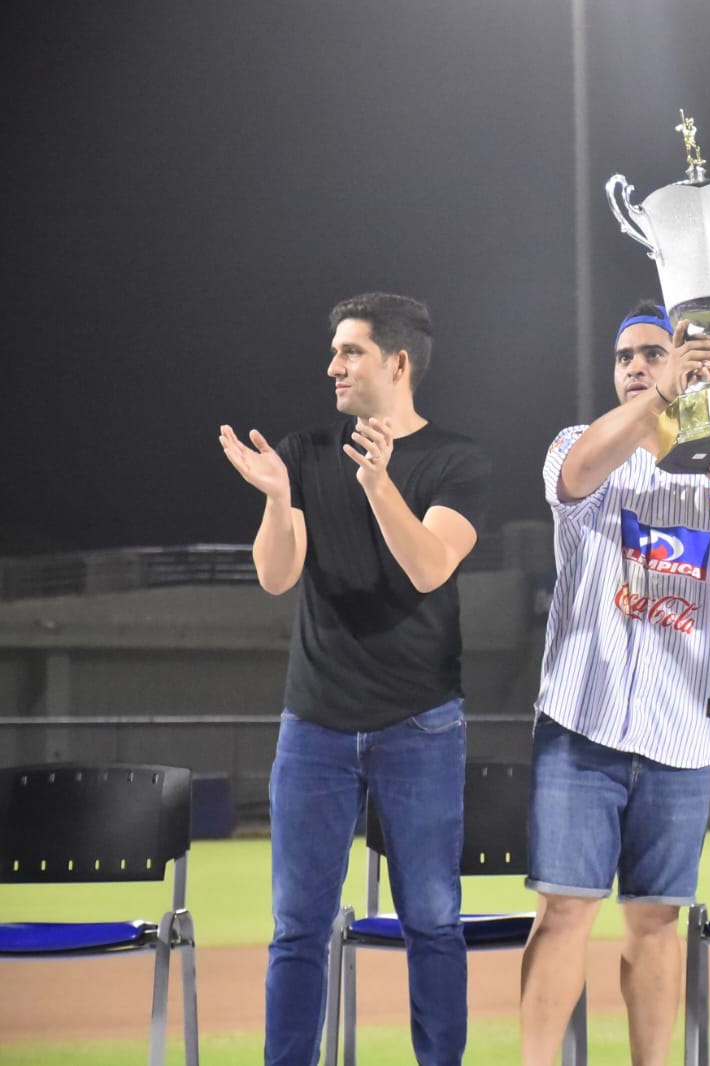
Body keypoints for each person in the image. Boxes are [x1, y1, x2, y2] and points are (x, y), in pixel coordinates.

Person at [218, 292, 490, 1066]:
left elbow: (431, 565)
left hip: (421, 726)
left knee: (433, 922)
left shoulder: (457, 461)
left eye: (351, 351)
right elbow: (277, 577)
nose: (332, 365)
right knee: (298, 927)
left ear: (399, 363)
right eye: (334, 351)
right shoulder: (304, 454)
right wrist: (276, 499)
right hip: (315, 728)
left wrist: (379, 484)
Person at [518, 302, 710, 1066]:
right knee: (564, 911)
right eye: (627, 355)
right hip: (580, 721)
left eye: (654, 353)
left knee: (657, 920)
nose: (637, 365)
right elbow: (576, 475)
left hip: (681, 732)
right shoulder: (583, 444)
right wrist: (664, 395)